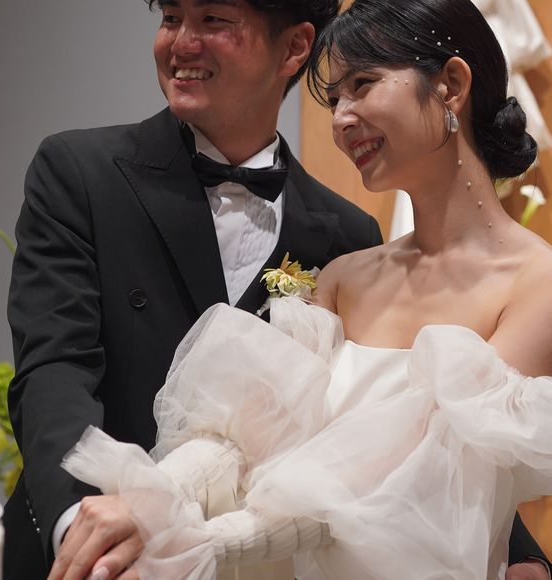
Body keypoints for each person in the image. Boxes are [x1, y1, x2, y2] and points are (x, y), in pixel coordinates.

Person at [58, 0, 552, 579]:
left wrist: (207, 541)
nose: (341, 119)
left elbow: (407, 479)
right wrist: (150, 499)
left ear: (451, 84)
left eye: (362, 85)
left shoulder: (536, 285)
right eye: (334, 98)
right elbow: (250, 433)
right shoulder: (346, 276)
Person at [3, 1, 384, 579]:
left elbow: (386, 412)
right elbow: (54, 369)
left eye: (213, 20)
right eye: (171, 17)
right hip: (83, 554)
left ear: (293, 48)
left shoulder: (350, 237)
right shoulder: (79, 172)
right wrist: (82, 525)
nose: (180, 43)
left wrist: (518, 554)